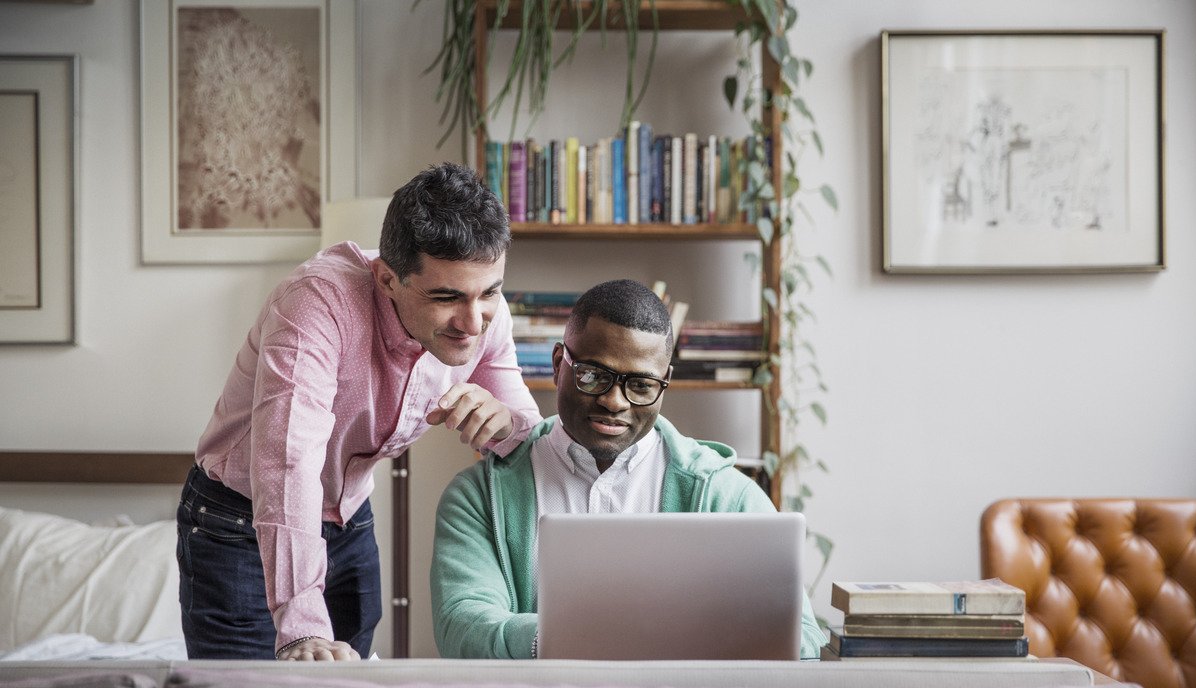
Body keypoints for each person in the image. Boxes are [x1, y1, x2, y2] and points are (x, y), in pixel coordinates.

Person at [178, 162, 541, 661]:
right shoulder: (315, 304)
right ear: (387, 278)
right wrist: (303, 630)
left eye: (490, 292)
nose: (472, 321)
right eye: (446, 297)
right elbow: (289, 462)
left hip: (349, 519)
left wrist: (506, 423)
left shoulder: (480, 315)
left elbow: (526, 426)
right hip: (238, 520)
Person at [431, 279, 825, 659]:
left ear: (665, 382)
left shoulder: (726, 495)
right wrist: (594, 636)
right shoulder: (478, 498)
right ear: (558, 364)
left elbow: (803, 641)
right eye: (593, 375)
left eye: (640, 385)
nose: (615, 402)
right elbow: (463, 627)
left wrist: (594, 635)